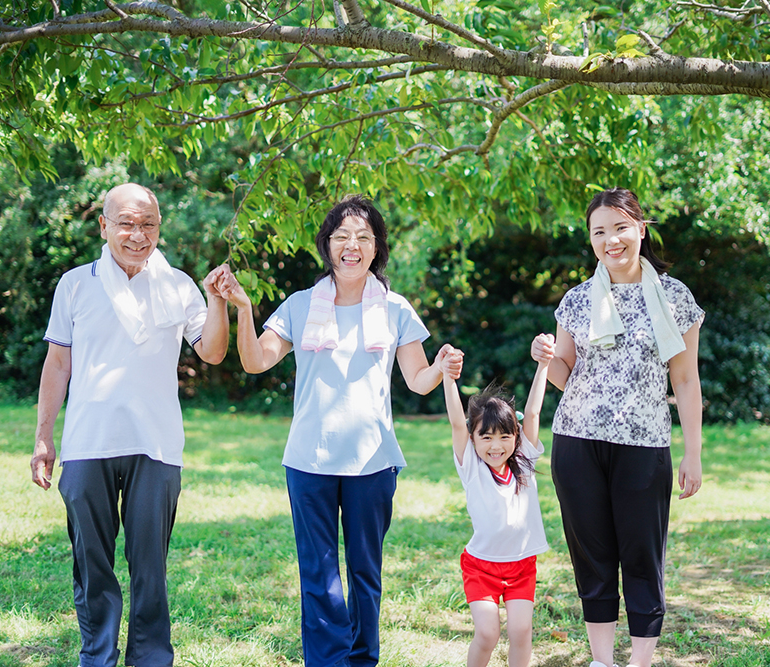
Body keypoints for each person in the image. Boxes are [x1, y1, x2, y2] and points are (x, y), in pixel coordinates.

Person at [217, 194, 462, 667]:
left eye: (364, 237)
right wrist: (244, 308)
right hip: (309, 460)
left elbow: (418, 380)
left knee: (365, 572)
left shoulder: (395, 308)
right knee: (318, 574)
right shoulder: (300, 305)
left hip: (373, 461)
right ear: (327, 246)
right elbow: (254, 361)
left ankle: (362, 659)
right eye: (342, 237)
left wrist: (442, 365)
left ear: (377, 248)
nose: (352, 245)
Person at [29, 183, 232, 667]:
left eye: (148, 224)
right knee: (92, 565)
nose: (138, 234)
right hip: (86, 444)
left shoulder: (178, 285)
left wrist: (217, 300)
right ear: (104, 226)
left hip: (157, 445)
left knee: (150, 569)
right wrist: (43, 438)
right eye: (127, 223)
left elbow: (213, 350)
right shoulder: (76, 283)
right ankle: (97, 656)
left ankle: (151, 659)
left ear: (159, 228)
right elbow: (58, 365)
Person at [531, 187, 704, 667]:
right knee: (593, 558)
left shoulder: (674, 297)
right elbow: (565, 373)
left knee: (643, 557)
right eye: (599, 231)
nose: (611, 240)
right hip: (578, 442)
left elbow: (686, 380)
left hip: (644, 445)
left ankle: (640, 661)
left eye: (620, 228)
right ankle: (602, 660)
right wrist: (546, 359)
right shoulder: (577, 299)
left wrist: (693, 452)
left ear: (641, 230)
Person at [441, 336, 553, 667]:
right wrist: (449, 379)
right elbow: (456, 422)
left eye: (504, 436)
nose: (495, 445)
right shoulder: (471, 467)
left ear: (515, 437)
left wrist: (543, 365)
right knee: (488, 633)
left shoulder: (525, 461)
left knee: (521, 631)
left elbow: (532, 412)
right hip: (481, 567)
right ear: (474, 438)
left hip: (521, 565)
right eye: (486, 437)